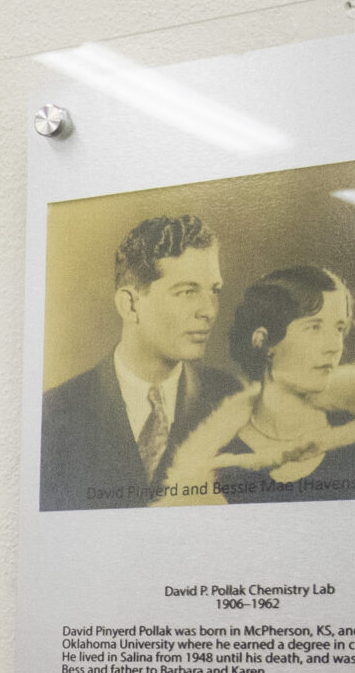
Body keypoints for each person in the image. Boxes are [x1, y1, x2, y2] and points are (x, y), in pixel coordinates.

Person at [157, 264, 355, 504]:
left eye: (339, 328)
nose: (334, 346)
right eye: (314, 327)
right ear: (264, 341)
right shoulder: (215, 466)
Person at [40, 213, 243, 510]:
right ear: (130, 305)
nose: (209, 311)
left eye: (214, 291)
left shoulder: (231, 399)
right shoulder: (57, 413)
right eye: (187, 292)